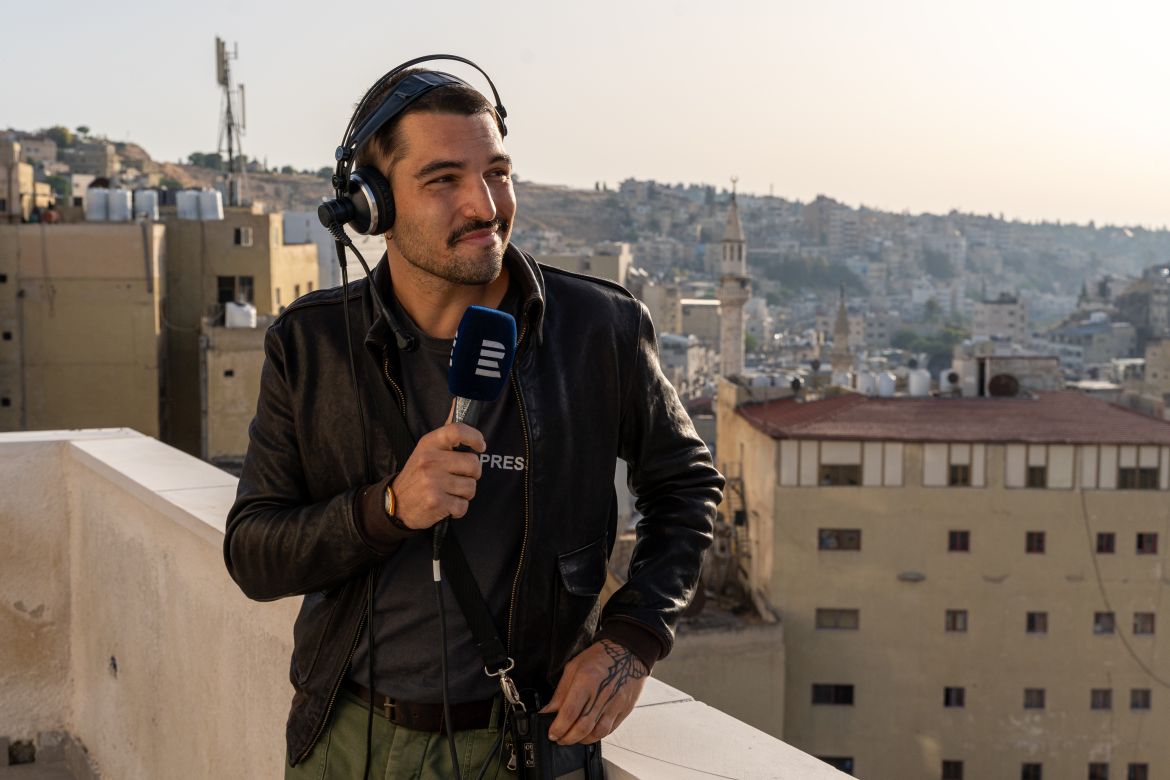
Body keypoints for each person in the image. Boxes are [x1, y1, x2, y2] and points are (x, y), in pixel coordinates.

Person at [224, 60, 723, 779]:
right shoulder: (313, 343)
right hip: (347, 739)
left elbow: (685, 486)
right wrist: (388, 508)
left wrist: (633, 639)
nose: (484, 205)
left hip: (526, 745)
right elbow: (254, 553)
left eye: (497, 173)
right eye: (443, 180)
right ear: (373, 205)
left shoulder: (596, 329)